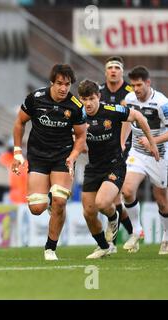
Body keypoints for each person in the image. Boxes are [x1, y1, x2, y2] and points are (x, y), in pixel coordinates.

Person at [12, 64, 87, 261]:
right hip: (38, 156)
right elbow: (19, 122)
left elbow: (81, 137)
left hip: (62, 157)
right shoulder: (35, 99)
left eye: (68, 84)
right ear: (52, 82)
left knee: (60, 200)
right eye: (60, 83)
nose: (64, 88)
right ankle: (52, 205)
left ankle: (50, 248)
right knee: (37, 208)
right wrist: (17, 151)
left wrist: (73, 155)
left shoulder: (76, 106)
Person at [77, 80, 158, 259]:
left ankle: (113, 219)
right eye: (84, 99)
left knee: (103, 203)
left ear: (98, 97)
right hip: (93, 168)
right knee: (88, 212)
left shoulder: (112, 111)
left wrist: (152, 143)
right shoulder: (78, 115)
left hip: (114, 165)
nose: (88, 103)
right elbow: (72, 136)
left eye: (91, 98)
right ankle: (104, 246)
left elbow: (138, 117)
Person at [121, 66, 168, 254]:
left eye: (139, 85)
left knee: (161, 200)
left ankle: (166, 236)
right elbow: (126, 120)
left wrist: (152, 142)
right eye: (133, 85)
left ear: (148, 83)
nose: (136, 89)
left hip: (159, 155)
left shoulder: (162, 103)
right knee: (127, 190)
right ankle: (136, 231)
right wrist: (122, 142)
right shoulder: (130, 99)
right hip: (137, 153)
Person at [99, 56, 135, 250]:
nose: (113, 70)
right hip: (102, 149)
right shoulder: (98, 92)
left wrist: (122, 143)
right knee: (113, 199)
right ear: (105, 72)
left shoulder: (130, 93)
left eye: (117, 67)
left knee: (117, 195)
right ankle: (133, 233)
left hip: (126, 149)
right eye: (110, 67)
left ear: (122, 72)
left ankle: (112, 241)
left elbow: (131, 119)